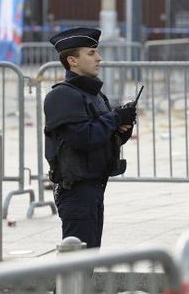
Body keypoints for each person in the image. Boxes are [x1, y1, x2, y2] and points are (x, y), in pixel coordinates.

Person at [43, 27, 136, 248]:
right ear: (73, 61)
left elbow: (103, 137)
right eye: (91, 53)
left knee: (88, 256)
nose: (99, 58)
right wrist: (114, 119)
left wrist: (123, 127)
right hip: (76, 189)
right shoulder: (61, 96)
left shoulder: (94, 95)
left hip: (94, 187)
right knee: (77, 264)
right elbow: (81, 138)